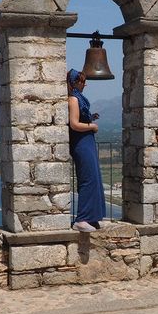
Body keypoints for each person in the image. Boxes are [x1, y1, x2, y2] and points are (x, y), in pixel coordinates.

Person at [67, 69, 105, 232]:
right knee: (88, 178)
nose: (85, 84)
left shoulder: (78, 99)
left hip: (86, 141)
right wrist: (92, 126)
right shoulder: (74, 99)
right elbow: (74, 124)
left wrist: (90, 118)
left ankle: (92, 217)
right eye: (82, 81)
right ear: (75, 82)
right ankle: (81, 219)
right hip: (81, 142)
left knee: (94, 177)